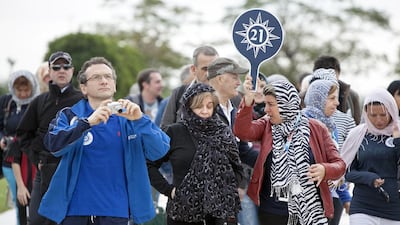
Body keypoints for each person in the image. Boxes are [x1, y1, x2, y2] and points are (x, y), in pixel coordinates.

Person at [37, 56, 170, 225]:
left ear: (114, 85)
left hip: (115, 211)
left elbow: (160, 150)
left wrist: (140, 120)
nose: (104, 81)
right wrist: (87, 123)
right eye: (96, 77)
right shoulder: (70, 115)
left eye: (108, 77)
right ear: (83, 88)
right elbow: (53, 145)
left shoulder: (130, 118)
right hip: (74, 211)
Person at [233, 77, 346, 225]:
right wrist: (248, 103)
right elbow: (243, 132)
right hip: (271, 213)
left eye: (271, 104)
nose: (266, 109)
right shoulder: (266, 124)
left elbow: (340, 164)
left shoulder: (317, 128)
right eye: (266, 104)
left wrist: (325, 170)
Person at [147, 83, 244, 225]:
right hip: (182, 213)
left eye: (209, 106)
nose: (205, 111)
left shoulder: (223, 133)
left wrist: (224, 190)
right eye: (199, 106)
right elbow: (149, 164)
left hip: (219, 215)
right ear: (188, 107)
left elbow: (237, 168)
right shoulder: (175, 132)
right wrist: (170, 191)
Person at [16, 51, 83, 225]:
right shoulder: (39, 101)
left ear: (72, 70)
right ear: (50, 72)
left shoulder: (82, 100)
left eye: (66, 66)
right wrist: (36, 157)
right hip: (45, 169)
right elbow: (24, 133)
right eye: (56, 67)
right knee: (38, 220)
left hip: (73, 170)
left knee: (69, 219)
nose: (62, 70)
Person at [207, 57, 258, 225]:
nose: (239, 82)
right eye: (235, 77)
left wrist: (274, 160)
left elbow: (242, 151)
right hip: (208, 198)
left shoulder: (234, 112)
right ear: (220, 78)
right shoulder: (203, 112)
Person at [340, 88, 400, 225]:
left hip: (395, 208)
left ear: (391, 111)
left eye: (383, 114)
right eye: (373, 115)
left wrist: (397, 141)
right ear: (366, 113)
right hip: (363, 206)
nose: (378, 120)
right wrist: (369, 178)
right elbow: (347, 172)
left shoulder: (398, 132)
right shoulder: (357, 135)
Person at [302, 78, 352, 225]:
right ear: (319, 98)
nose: (337, 103)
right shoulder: (302, 124)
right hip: (305, 202)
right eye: (332, 98)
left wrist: (345, 198)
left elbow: (335, 163)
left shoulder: (331, 127)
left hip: (327, 199)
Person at [0, 70, 40, 225]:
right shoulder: (6, 103)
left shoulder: (36, 104)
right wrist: (2, 139)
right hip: (10, 159)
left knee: (34, 199)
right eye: (19, 90)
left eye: (26, 90)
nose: (23, 94)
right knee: (20, 200)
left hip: (30, 160)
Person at [160, 45, 219, 129]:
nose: (209, 73)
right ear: (194, 69)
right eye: (205, 69)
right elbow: (165, 129)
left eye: (213, 69)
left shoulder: (229, 96)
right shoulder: (179, 93)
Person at [313, 55, 361, 125]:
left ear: (338, 74)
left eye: (332, 75)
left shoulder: (351, 96)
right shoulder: (302, 98)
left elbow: (357, 125)